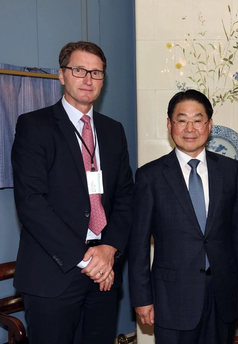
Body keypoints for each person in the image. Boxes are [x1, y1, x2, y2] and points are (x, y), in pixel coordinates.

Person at [11, 41, 134, 344]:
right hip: (54, 273)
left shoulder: (113, 130)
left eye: (97, 73)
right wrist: (86, 259)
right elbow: (31, 203)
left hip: (104, 273)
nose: (88, 79)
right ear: (62, 75)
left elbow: (126, 197)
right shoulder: (34, 126)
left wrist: (109, 249)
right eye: (79, 70)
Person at [129, 89, 238, 344]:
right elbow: (138, 244)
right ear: (169, 124)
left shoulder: (229, 171)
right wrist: (142, 298)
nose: (190, 128)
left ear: (209, 124)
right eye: (182, 119)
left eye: (198, 120)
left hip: (223, 292)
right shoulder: (150, 176)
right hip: (172, 297)